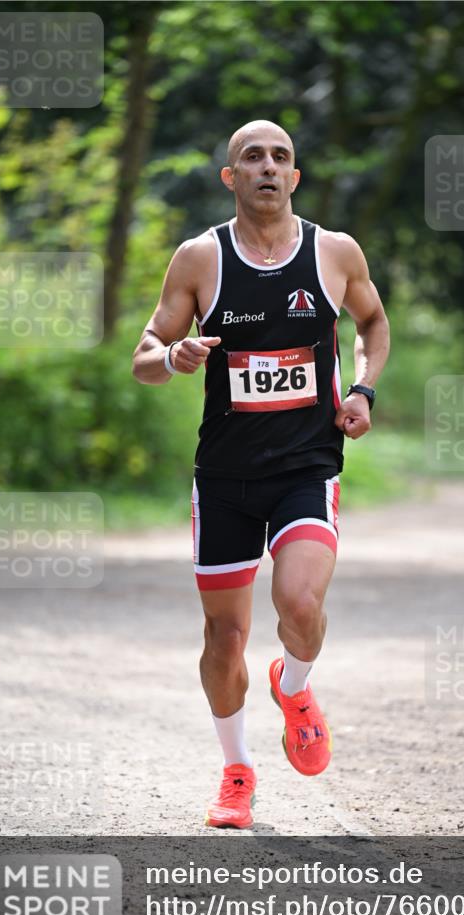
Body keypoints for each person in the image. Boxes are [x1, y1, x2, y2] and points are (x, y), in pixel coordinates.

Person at [132, 120, 390, 829]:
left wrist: (363, 390)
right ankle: (236, 772)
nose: (268, 167)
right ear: (231, 178)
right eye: (253, 158)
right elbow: (144, 353)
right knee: (223, 640)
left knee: (300, 605)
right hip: (223, 475)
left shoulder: (333, 253)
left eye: (281, 157)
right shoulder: (198, 258)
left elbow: (372, 323)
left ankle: (295, 687)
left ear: (295, 177)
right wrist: (173, 356)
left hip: (307, 465)